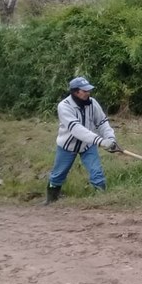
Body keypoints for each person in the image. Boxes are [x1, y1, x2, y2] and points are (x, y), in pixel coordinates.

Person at [44, 76, 121, 204]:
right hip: (67, 147)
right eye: (84, 91)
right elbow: (77, 129)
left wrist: (110, 138)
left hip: (87, 145)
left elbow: (102, 122)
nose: (88, 93)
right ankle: (51, 201)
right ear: (75, 92)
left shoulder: (92, 103)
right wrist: (100, 141)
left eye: (89, 90)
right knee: (58, 175)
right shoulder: (64, 106)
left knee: (97, 174)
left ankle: (102, 201)